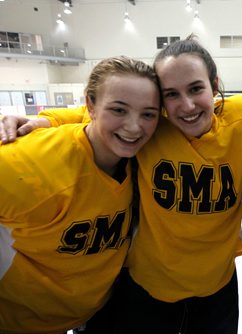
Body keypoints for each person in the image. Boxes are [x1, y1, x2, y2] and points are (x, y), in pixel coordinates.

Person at [1, 37, 242, 333]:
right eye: (171, 94)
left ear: (215, 84)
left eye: (196, 88)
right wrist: (46, 120)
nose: (186, 105)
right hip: (146, 290)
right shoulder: (155, 127)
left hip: (216, 290)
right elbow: (102, 111)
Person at [0, 56, 161, 333]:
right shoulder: (27, 162)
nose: (134, 127)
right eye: (119, 110)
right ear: (90, 105)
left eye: (148, 114)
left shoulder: (146, 156)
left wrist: (50, 118)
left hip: (96, 313)